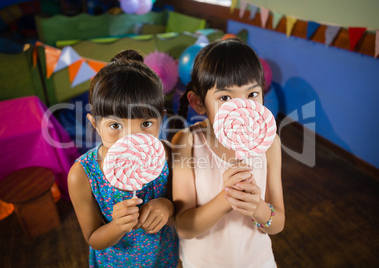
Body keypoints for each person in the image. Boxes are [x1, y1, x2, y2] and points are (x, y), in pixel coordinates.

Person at [171, 38, 285, 267]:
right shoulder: (187, 143)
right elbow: (184, 227)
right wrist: (227, 198)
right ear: (198, 103)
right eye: (225, 98)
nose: (242, 108)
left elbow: (278, 223)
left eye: (252, 94)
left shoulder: (270, 142)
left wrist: (259, 209)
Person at [68, 50, 179, 268]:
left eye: (146, 124)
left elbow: (181, 205)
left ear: (161, 119)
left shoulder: (166, 155)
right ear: (95, 123)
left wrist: (168, 206)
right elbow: (93, 238)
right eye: (115, 125)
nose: (131, 138)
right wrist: (118, 225)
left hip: (163, 258)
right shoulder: (82, 174)